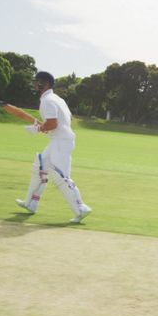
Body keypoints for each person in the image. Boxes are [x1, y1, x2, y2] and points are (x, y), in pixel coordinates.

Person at [14, 71, 92, 224]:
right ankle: (31, 203)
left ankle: (81, 208)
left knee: (61, 177)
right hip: (58, 139)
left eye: (37, 82)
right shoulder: (56, 98)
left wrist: (38, 129)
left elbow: (53, 123)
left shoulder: (48, 100)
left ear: (46, 83)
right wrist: (46, 129)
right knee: (40, 167)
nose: (35, 84)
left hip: (61, 142)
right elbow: (64, 120)